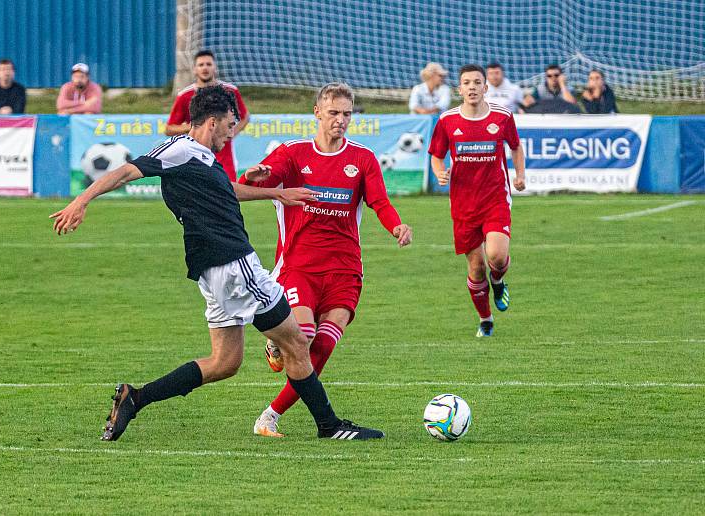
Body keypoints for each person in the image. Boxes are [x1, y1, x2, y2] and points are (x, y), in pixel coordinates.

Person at [50, 86, 383, 442]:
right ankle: (329, 426)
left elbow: (228, 189)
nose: (231, 133)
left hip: (212, 270)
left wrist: (276, 193)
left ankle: (137, 398)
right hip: (234, 263)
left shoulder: (201, 156)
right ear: (212, 122)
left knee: (225, 363)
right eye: (229, 125)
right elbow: (126, 172)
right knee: (298, 344)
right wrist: (81, 201)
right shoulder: (179, 150)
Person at [238, 82, 413, 437]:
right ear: (317, 112)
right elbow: (255, 183)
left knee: (322, 346)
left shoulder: (362, 159)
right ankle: (278, 339)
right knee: (302, 336)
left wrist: (396, 226)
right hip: (299, 267)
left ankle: (269, 416)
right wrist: (252, 177)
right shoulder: (292, 153)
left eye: (347, 114)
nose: (340, 120)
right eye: (334, 113)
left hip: (345, 271)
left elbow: (379, 201)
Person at [428, 64, 526, 337]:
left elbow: (516, 147)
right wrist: (439, 172)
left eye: (477, 82)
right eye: (466, 83)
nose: (471, 87)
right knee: (476, 266)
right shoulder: (447, 121)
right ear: (459, 89)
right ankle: (486, 319)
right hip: (462, 203)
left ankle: (499, 281)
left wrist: (520, 175)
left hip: (495, 197)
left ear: (486, 88)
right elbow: (436, 155)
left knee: (496, 255)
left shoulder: (503, 117)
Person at [165, 50, 249, 181]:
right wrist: (196, 127)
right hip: (196, 156)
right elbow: (169, 129)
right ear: (194, 69)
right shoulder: (185, 96)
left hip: (224, 157)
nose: (205, 68)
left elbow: (245, 117)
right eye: (201, 64)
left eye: (208, 64)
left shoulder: (230, 91)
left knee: (229, 194)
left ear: (215, 67)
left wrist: (230, 134)